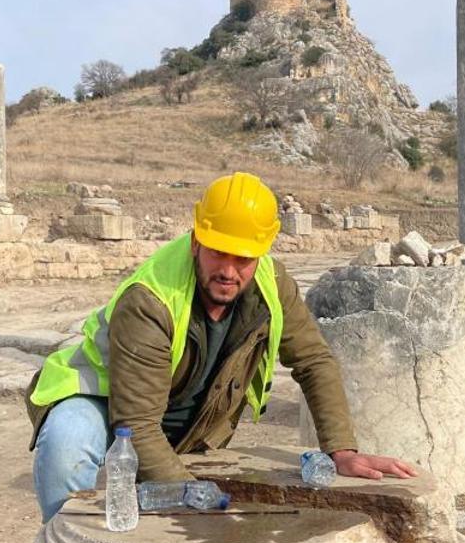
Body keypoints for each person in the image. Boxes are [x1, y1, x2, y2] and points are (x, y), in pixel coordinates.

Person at [24, 172, 415, 521]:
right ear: (196, 240)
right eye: (217, 252)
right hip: (104, 397)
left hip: (183, 418)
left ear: (261, 252)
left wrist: (341, 450)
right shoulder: (150, 299)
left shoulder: (271, 283)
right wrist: (195, 499)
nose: (229, 270)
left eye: (243, 258)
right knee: (67, 440)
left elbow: (313, 360)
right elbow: (137, 424)